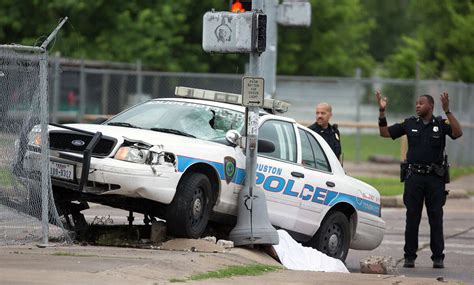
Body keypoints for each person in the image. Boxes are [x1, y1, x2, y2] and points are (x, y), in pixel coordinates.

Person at [376, 90, 463, 269]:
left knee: (436, 219)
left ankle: (438, 257)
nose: (417, 105)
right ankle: (409, 257)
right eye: (416, 103)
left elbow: (458, 132)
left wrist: (447, 111)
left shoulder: (440, 123)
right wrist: (382, 112)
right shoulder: (409, 123)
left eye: (421, 103)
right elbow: (384, 133)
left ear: (430, 106)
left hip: (435, 179)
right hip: (414, 178)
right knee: (412, 218)